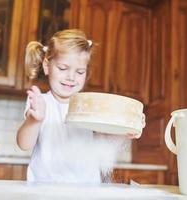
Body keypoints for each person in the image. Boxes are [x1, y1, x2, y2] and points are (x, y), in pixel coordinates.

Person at [17, 29, 145, 184]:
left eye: (80, 72)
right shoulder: (41, 103)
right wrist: (34, 120)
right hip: (46, 189)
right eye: (63, 68)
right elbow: (24, 144)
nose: (71, 77)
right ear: (46, 66)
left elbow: (103, 141)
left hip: (86, 188)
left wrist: (126, 130)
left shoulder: (89, 104)